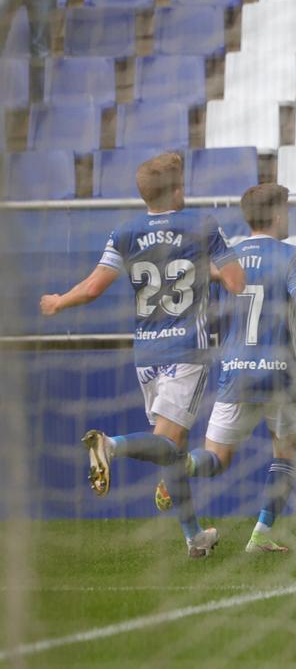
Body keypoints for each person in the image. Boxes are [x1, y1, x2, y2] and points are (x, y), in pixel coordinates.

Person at [40, 152, 245, 558]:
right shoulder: (202, 224)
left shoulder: (125, 231)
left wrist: (60, 301)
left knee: (175, 451)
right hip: (187, 350)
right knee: (166, 445)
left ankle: (194, 538)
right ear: (176, 190)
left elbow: (95, 287)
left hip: (146, 353)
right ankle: (109, 445)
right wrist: (207, 267)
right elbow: (238, 283)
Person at [183, 183, 296, 553]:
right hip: (281, 373)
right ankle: (261, 534)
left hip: (236, 369)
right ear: (276, 215)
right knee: (285, 453)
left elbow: (217, 318)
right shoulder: (291, 254)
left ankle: (181, 467)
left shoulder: (229, 258)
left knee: (215, 459)